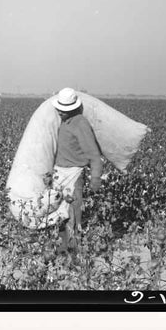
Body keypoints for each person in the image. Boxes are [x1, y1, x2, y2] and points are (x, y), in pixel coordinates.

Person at [50, 87, 103, 251]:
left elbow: (94, 154)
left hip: (74, 175)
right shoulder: (62, 121)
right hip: (58, 174)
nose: (60, 112)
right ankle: (61, 250)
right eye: (59, 109)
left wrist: (95, 178)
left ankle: (74, 254)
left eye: (64, 110)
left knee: (73, 215)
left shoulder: (80, 124)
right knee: (58, 215)